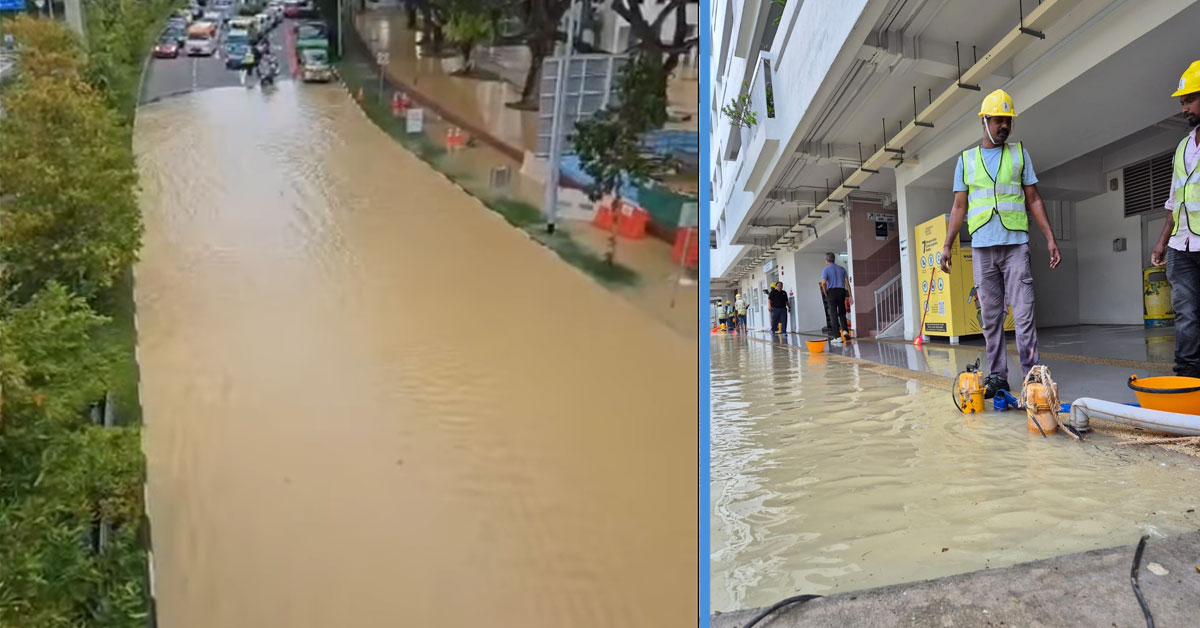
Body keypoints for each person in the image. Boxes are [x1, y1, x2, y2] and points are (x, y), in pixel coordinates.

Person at [940, 89, 1061, 398]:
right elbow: (958, 208)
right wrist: (946, 245)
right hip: (982, 248)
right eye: (998, 120)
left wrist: (1049, 238)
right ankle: (998, 377)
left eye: (1008, 120)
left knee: (1023, 315)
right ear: (984, 121)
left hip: (1015, 245)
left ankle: (1032, 379)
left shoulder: (1020, 153)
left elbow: (1033, 199)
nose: (1004, 126)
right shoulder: (966, 160)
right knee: (991, 318)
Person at [1152, 60, 1200, 377]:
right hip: (1181, 245)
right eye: (1182, 102)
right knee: (1186, 313)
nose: (1184, 108)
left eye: (1190, 99)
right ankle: (1188, 373)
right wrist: (1162, 241)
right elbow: (1174, 201)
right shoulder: (1182, 147)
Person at [819, 253, 852, 344]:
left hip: (832, 292)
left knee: (833, 314)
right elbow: (847, 283)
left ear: (826, 260)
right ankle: (845, 331)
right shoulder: (842, 269)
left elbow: (823, 283)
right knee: (842, 312)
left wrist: (826, 292)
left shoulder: (826, 270)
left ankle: (837, 337)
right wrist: (850, 295)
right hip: (841, 291)